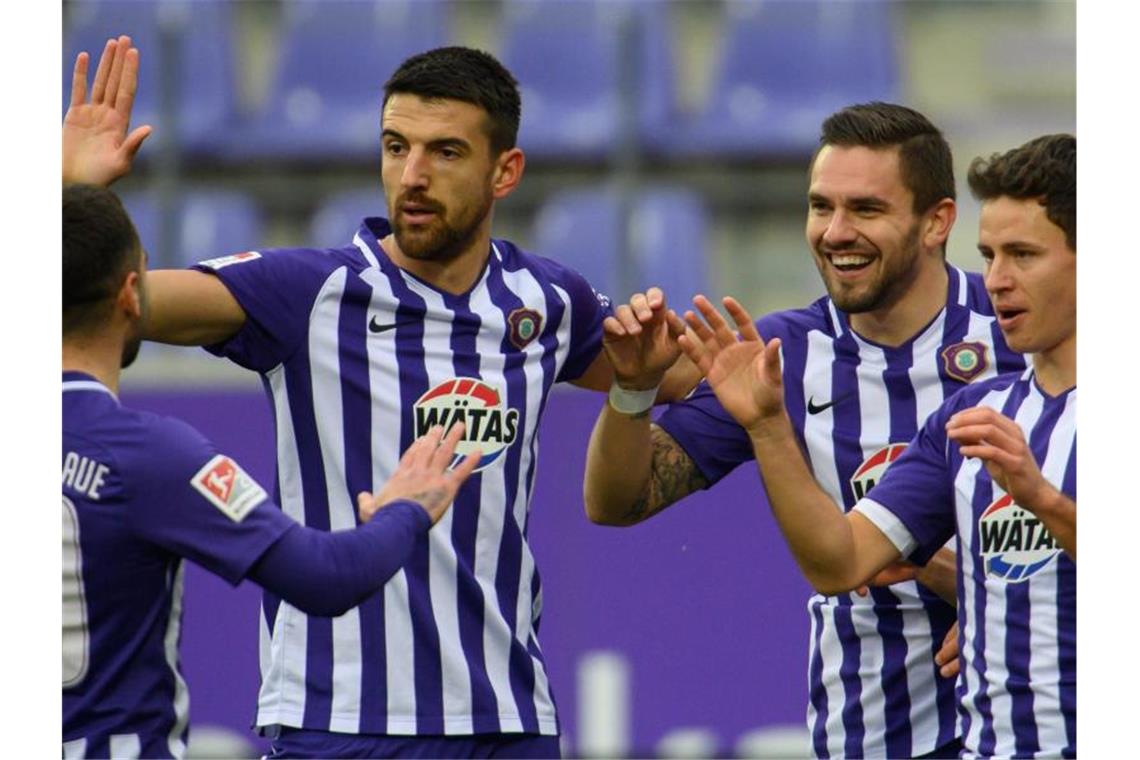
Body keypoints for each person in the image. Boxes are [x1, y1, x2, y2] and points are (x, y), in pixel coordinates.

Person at [63, 37, 697, 758]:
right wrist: (73, 193)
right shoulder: (306, 293)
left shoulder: (548, 302)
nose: (413, 175)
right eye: (396, 147)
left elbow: (686, 375)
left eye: (446, 152)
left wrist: (654, 377)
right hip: (337, 722)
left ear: (505, 171)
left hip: (508, 721)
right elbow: (108, 302)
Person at [585, 103, 1028, 758]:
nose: (835, 232)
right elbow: (618, 501)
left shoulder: (1019, 330)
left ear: (936, 222)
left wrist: (991, 590)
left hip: (1025, 721)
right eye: (822, 207)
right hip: (870, 733)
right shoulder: (780, 356)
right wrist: (632, 389)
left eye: (866, 210)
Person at [675, 134, 1076, 758]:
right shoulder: (972, 414)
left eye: (1023, 255)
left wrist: (1042, 502)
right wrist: (768, 428)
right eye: (990, 255)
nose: (997, 281)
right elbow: (839, 563)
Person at [63, 180, 479, 759]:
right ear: (132, 295)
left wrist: (67, 186)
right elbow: (326, 575)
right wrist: (407, 508)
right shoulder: (149, 456)